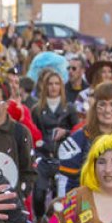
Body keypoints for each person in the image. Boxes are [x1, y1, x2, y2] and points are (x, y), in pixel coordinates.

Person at [56, 82, 112, 197]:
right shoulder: (77, 142)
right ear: (94, 107)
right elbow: (65, 186)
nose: (108, 110)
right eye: (102, 104)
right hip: (87, 208)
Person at [30, 69, 76, 215]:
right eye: (50, 83)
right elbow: (32, 133)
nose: (54, 87)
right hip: (42, 156)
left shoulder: (69, 108)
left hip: (62, 158)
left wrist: (66, 132)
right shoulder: (36, 109)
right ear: (45, 86)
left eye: (57, 83)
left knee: (60, 199)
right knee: (38, 195)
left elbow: (78, 132)